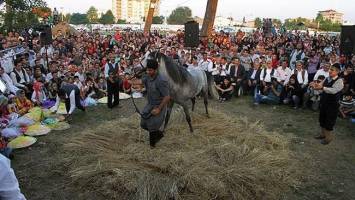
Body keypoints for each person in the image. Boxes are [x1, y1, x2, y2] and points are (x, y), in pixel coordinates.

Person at [132, 59, 170, 148]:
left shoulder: (161, 80)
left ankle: (152, 146)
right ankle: (160, 134)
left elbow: (167, 97)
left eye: (150, 70)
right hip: (150, 104)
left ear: (156, 70)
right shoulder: (148, 76)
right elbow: (141, 81)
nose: (148, 72)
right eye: (147, 70)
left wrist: (158, 109)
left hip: (159, 105)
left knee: (152, 126)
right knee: (143, 124)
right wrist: (129, 81)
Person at [311, 63, 344, 145]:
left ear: (337, 71)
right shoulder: (327, 78)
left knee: (329, 121)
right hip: (324, 102)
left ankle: (328, 138)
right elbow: (320, 87)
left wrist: (322, 87)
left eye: (332, 70)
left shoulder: (339, 81)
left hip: (332, 105)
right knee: (322, 119)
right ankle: (322, 134)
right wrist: (314, 85)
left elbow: (333, 91)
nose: (330, 71)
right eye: (330, 69)